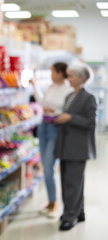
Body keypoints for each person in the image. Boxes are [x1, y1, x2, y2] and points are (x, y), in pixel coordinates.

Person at [54, 62, 97, 231]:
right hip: (66, 146)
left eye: (71, 75)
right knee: (71, 181)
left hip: (78, 148)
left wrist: (70, 118)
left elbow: (91, 123)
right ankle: (78, 212)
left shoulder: (89, 97)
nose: (68, 78)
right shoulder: (70, 96)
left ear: (81, 78)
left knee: (72, 183)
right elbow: (67, 115)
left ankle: (69, 217)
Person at [30, 62, 72, 217]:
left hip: (55, 129)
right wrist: (34, 86)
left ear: (61, 73)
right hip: (43, 128)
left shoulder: (68, 90)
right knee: (46, 166)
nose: (51, 74)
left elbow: (67, 109)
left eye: (53, 72)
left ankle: (54, 203)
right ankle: (51, 202)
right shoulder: (50, 87)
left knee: (49, 167)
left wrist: (55, 110)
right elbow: (42, 102)